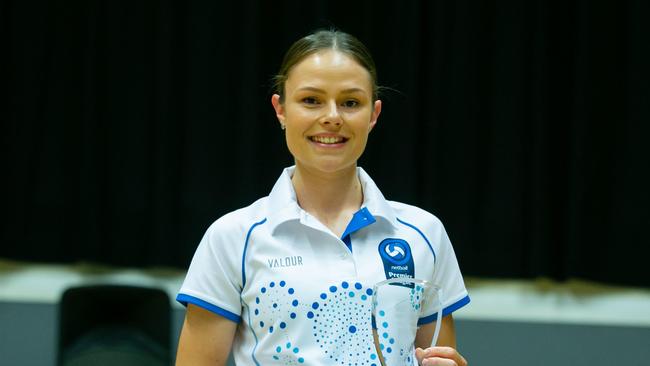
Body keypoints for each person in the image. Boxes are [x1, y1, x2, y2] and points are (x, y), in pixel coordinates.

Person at [175, 29, 470, 366]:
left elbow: (436, 356)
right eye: (311, 100)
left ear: (373, 114)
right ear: (280, 109)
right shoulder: (232, 237)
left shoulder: (424, 233)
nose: (332, 116)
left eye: (350, 102)